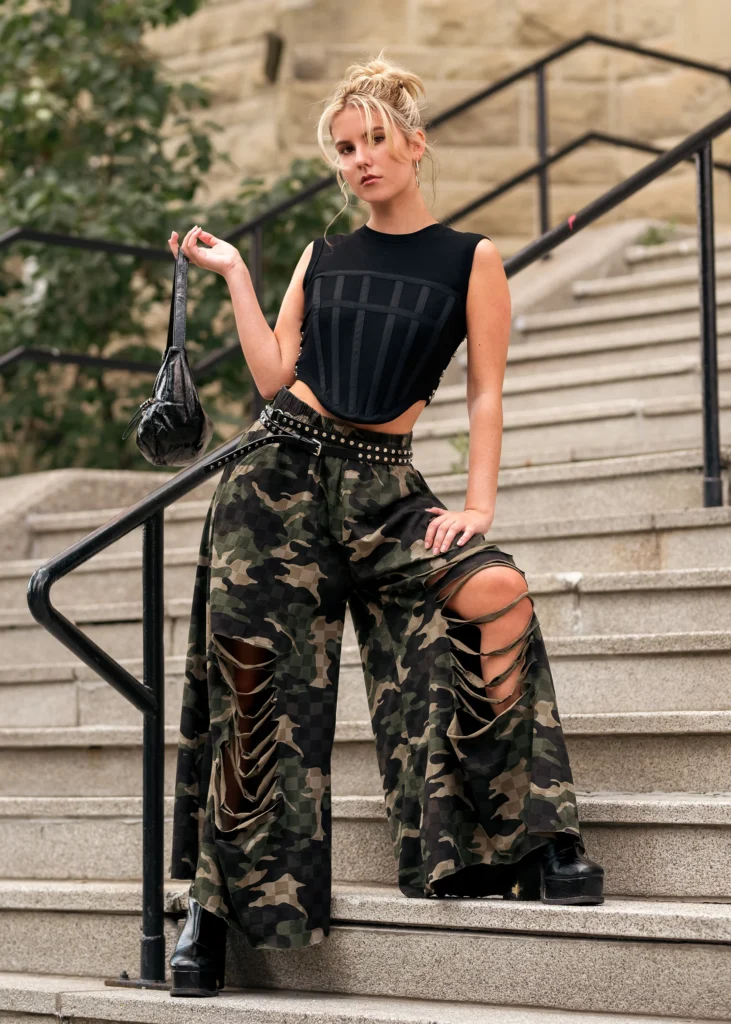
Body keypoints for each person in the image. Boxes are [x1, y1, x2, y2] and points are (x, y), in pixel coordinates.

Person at [166, 52, 604, 998]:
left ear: (413, 142)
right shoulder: (320, 254)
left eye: (373, 140)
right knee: (257, 692)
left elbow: (486, 393)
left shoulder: (469, 258)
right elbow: (274, 379)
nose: (359, 159)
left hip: (385, 488)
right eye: (343, 147)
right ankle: (210, 910)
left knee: (493, 590)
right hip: (275, 481)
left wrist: (478, 505)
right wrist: (235, 272)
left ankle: (530, 838)